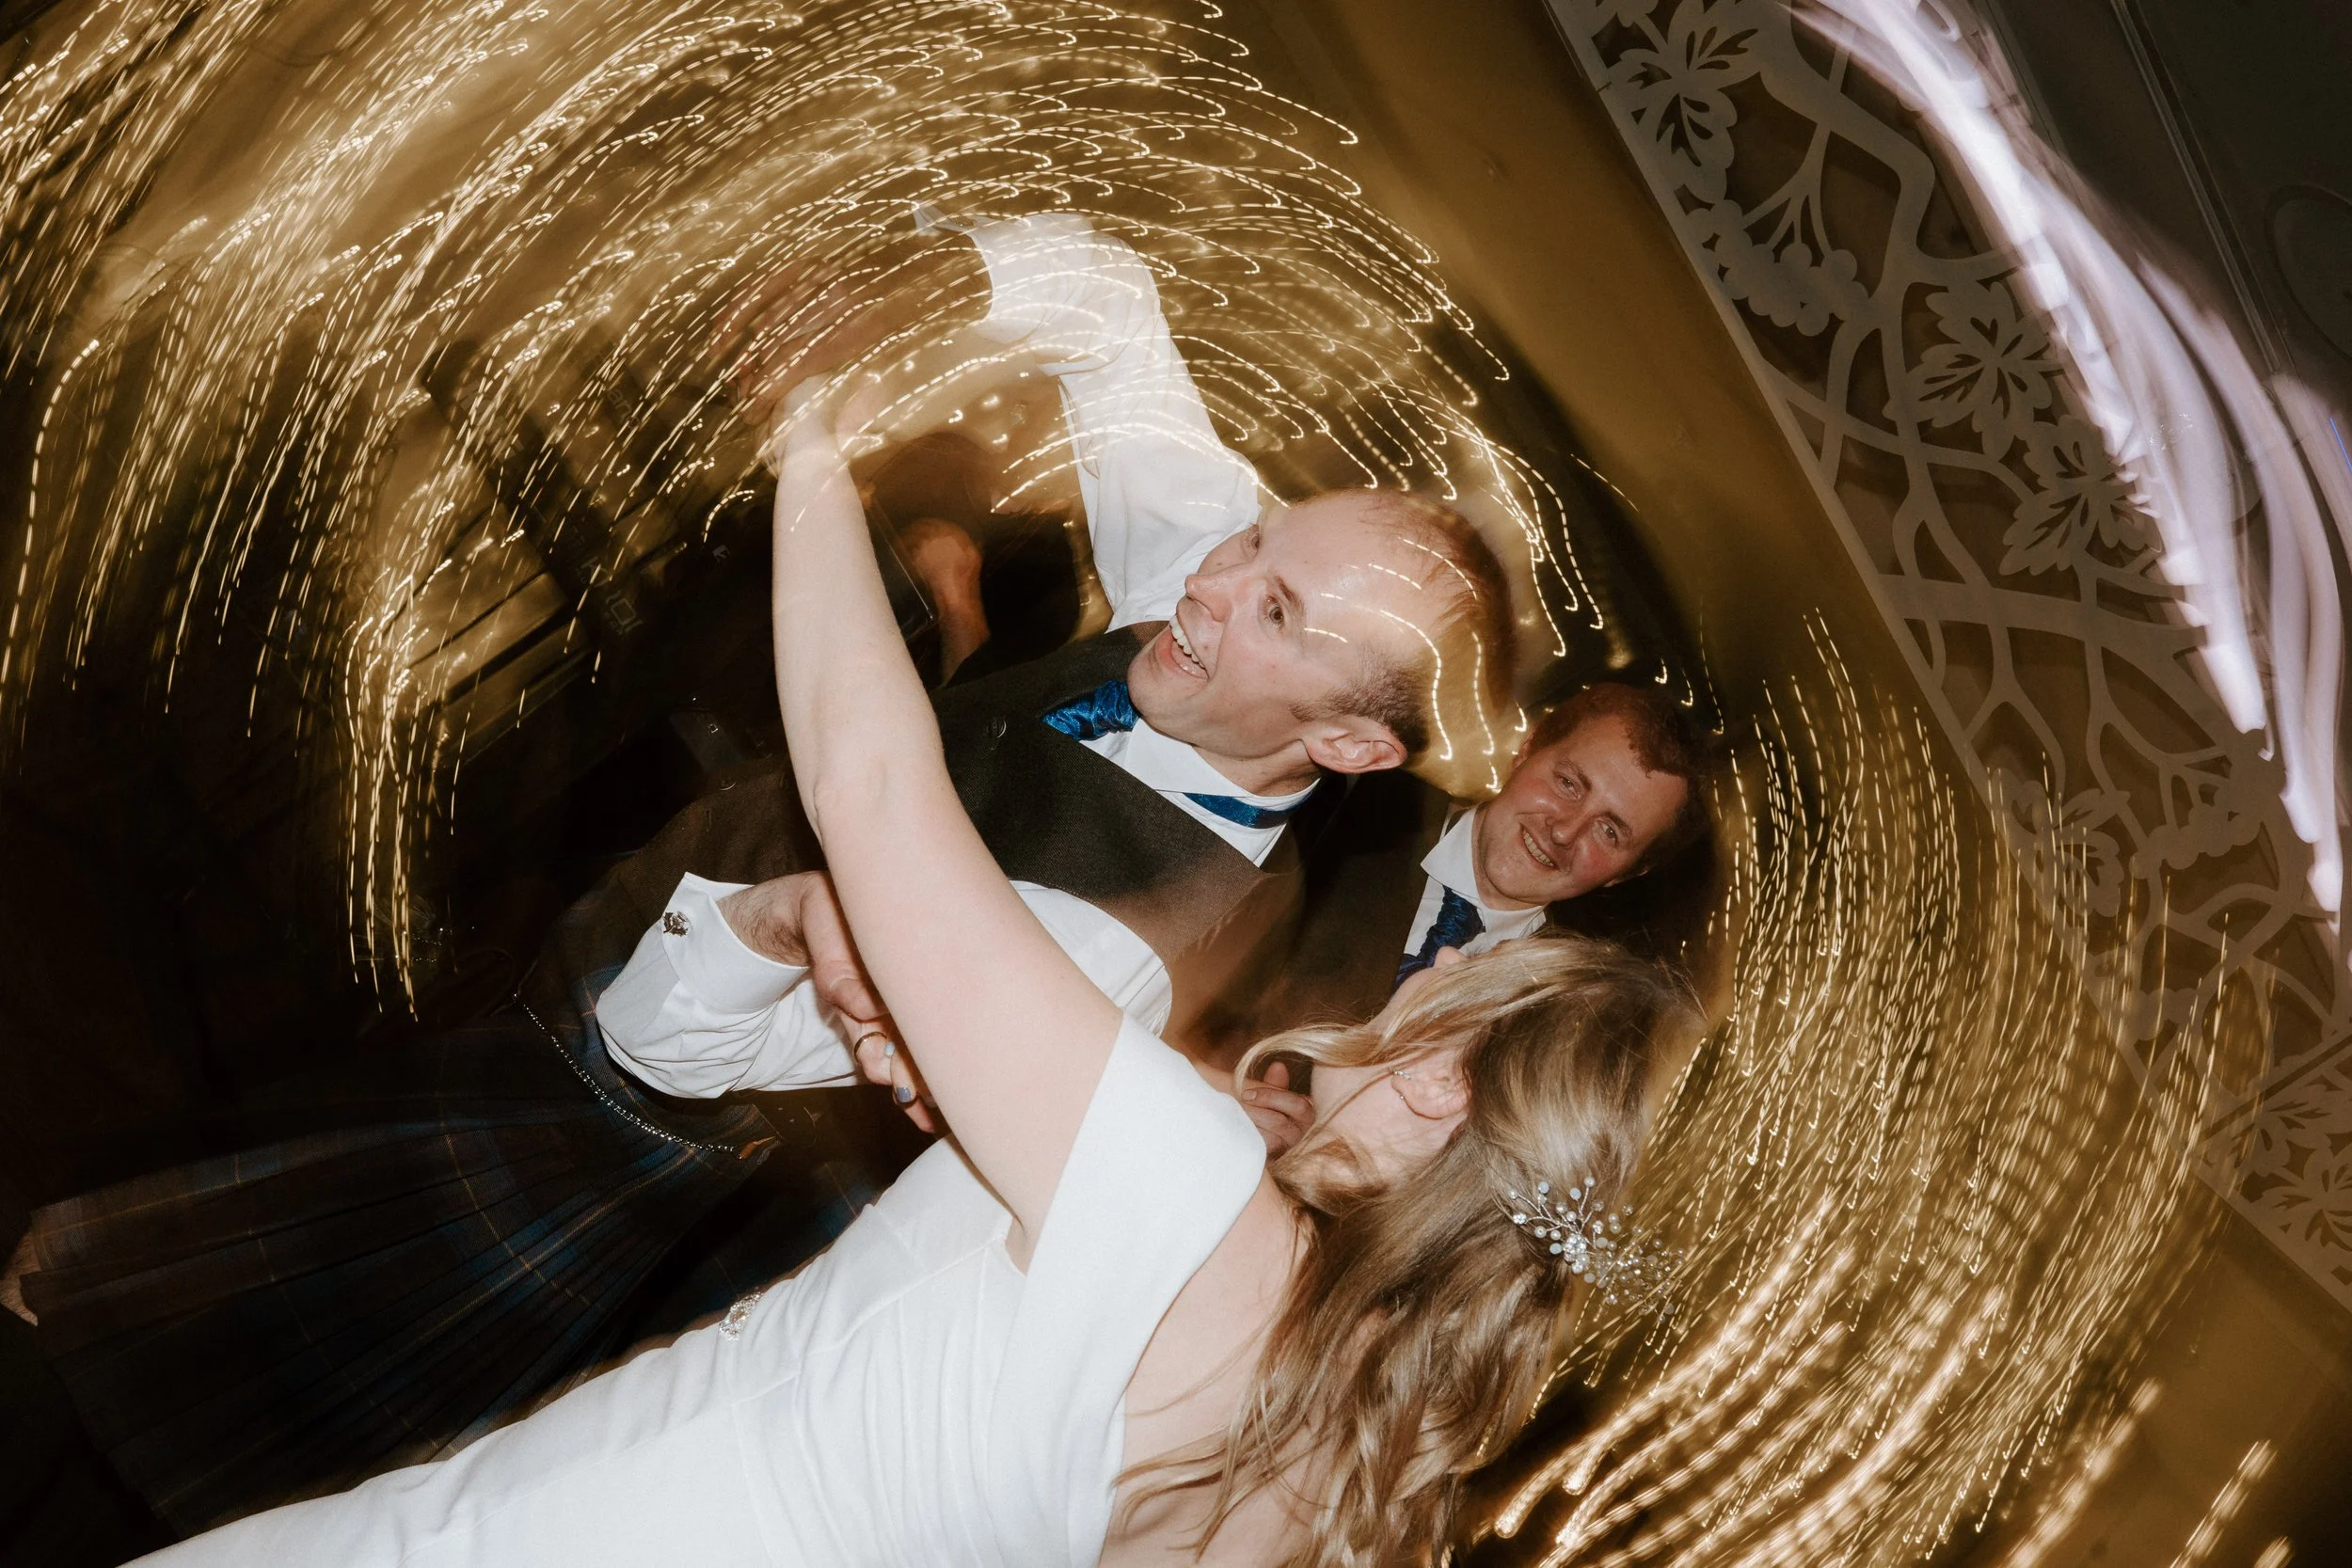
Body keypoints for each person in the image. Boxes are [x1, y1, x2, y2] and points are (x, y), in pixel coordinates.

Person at [8, 211, 1518, 1532]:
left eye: (1272, 608)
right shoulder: (1213, 574)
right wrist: (900, 284)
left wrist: (765, 914)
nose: (1206, 580)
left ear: (1355, 750)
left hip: (616, 1121)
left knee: (183, 1357)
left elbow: (678, 1046)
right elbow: (1107, 296)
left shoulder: (1120, 955)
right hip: (607, 947)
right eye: (1249, 538)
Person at [1233, 680, 1710, 1148]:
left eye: (1609, 831)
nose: (1565, 831)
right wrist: (1223, 1092)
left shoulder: (1557, 1018)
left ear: (1627, 874)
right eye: (1568, 784)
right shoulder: (1338, 800)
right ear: (1525, 752)